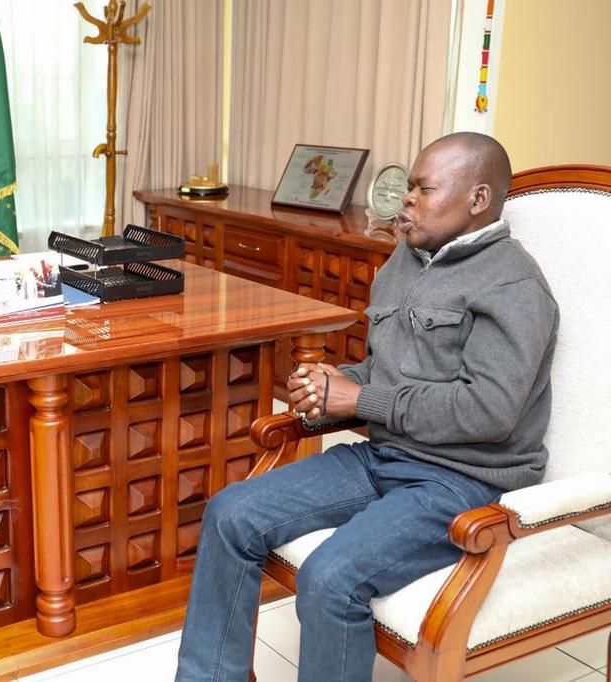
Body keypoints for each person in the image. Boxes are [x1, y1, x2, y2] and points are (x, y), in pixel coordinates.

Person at [175, 132, 559, 682]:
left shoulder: (514, 285)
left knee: (333, 578)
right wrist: (334, 385)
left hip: (461, 480)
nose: (407, 200)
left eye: (424, 190)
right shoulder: (407, 259)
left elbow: (489, 411)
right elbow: (384, 371)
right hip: (383, 456)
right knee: (231, 514)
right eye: (410, 189)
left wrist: (362, 397)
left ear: (478, 199)